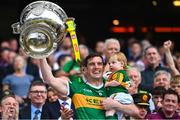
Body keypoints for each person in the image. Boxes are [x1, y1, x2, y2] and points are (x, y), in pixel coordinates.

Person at [39, 53, 139, 119]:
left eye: (99, 64)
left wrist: (116, 105)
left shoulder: (114, 85)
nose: (96, 67)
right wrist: (42, 55)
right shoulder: (76, 87)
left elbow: (136, 112)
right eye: (92, 64)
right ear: (84, 70)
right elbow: (49, 79)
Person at [103, 52, 133, 119]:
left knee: (109, 109)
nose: (110, 65)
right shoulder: (115, 73)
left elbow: (117, 82)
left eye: (113, 63)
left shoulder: (119, 72)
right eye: (109, 63)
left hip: (119, 95)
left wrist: (107, 84)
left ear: (122, 64)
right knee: (118, 115)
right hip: (123, 96)